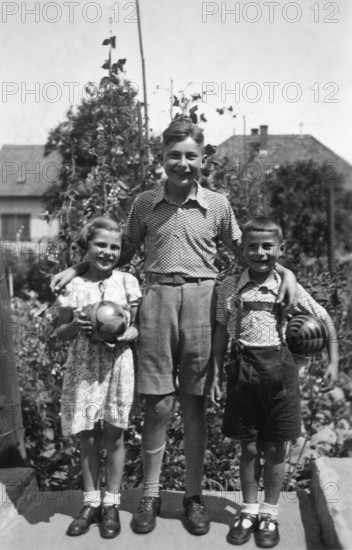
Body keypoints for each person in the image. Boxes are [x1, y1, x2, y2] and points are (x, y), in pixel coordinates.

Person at [50, 119, 297, 536]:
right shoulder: (145, 203)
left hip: (203, 300)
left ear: (203, 159)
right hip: (157, 300)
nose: (182, 163)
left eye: (190, 156)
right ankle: (150, 494)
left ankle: (193, 496)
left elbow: (247, 251)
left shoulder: (218, 204)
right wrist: (75, 267)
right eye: (174, 156)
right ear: (161, 159)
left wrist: (286, 273)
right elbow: (120, 252)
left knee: (194, 404)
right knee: (158, 405)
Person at [211, 217, 338, 548]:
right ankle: (248, 509)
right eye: (252, 246)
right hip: (242, 372)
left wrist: (333, 361)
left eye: (268, 246)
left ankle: (269, 512)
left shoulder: (287, 285)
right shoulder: (229, 286)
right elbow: (221, 331)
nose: (260, 252)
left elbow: (323, 319)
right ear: (242, 249)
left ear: (281, 249)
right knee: (249, 448)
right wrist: (214, 375)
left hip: (280, 375)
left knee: (275, 448)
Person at [54, 217, 141, 539]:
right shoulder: (73, 285)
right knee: (87, 435)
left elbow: (137, 326)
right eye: (100, 245)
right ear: (86, 246)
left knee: (114, 434)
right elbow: (60, 333)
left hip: (118, 363)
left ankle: (111, 503)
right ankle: (90, 501)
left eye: (114, 247)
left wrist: (131, 331)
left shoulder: (128, 281)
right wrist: (76, 325)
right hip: (84, 366)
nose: (107, 252)